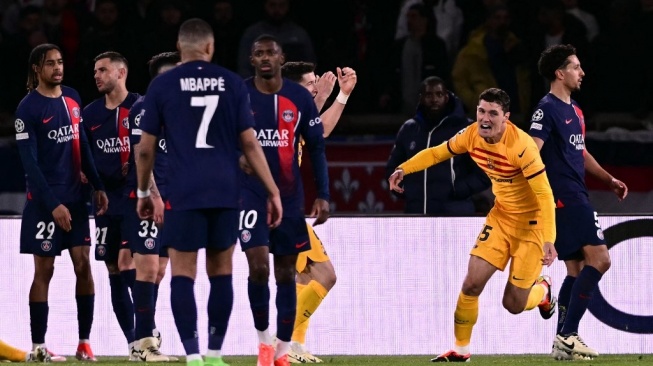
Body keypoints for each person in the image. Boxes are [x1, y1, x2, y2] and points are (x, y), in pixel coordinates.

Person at [135, 19, 282, 366]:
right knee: (222, 272)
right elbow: (250, 143)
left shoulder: (162, 85)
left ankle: (194, 355)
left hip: (183, 190)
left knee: (182, 274)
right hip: (225, 190)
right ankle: (215, 354)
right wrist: (272, 191)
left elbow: (144, 150)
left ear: (180, 46)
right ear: (211, 48)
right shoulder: (232, 83)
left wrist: (144, 190)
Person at [388, 88, 558, 362]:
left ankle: (543, 292)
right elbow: (436, 153)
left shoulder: (522, 146)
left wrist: (549, 238)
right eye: (481, 111)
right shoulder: (470, 135)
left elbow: (545, 195)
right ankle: (461, 349)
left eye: (493, 113)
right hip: (501, 218)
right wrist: (403, 168)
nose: (485, 118)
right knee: (471, 284)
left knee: (513, 304)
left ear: (506, 118)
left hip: (533, 225)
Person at [528, 44, 628, 360]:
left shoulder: (575, 111)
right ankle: (568, 335)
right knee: (601, 260)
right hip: (564, 197)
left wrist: (608, 179)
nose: (581, 72)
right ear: (560, 73)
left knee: (576, 270)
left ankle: (562, 340)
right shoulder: (546, 109)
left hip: (576, 193)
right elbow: (530, 151)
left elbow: (580, 152)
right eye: (575, 67)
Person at [239, 35, 329, 366]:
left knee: (286, 273)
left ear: (281, 58)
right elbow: (222, 136)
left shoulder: (299, 98)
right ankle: (264, 343)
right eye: (259, 53)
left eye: (271, 53)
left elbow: (316, 146)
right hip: (249, 195)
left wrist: (323, 194)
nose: (265, 58)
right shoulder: (240, 94)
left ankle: (282, 350)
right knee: (259, 267)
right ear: (252, 60)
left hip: (290, 198)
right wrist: (237, 157)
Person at [15, 43, 108, 362]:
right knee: (45, 270)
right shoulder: (27, 109)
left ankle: (84, 343)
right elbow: (31, 165)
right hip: (44, 204)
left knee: (84, 265)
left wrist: (98, 185)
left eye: (60, 62)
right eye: (50, 64)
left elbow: (82, 143)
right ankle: (38, 346)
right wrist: (54, 204)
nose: (58, 68)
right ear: (36, 70)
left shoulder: (72, 98)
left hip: (76, 200)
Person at [280, 61, 356, 363]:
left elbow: (316, 130)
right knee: (324, 275)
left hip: (288, 208)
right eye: (310, 83)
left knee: (308, 277)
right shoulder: (281, 110)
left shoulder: (293, 112)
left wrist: (341, 96)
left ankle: (294, 345)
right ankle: (283, 339)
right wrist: (323, 97)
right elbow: (316, 128)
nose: (315, 86)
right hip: (277, 208)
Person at [81, 51, 139, 361]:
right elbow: (83, 159)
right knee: (113, 268)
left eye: (103, 70)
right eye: (95, 71)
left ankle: (146, 333)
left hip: (134, 200)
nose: (97, 76)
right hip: (104, 201)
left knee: (131, 263)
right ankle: (133, 343)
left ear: (120, 73)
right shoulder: (89, 115)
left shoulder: (140, 108)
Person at [125, 51, 182, 361]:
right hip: (146, 201)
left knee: (159, 270)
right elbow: (140, 157)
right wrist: (154, 196)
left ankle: (144, 336)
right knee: (146, 269)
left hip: (172, 202)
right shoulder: (143, 109)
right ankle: (143, 343)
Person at [386, 76, 491, 215]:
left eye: (439, 94)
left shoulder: (467, 129)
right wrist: (409, 192)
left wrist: (456, 189)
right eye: (429, 95)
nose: (434, 99)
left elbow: (486, 172)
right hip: (416, 216)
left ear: (446, 97)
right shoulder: (409, 129)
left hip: (454, 215)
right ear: (421, 98)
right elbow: (392, 169)